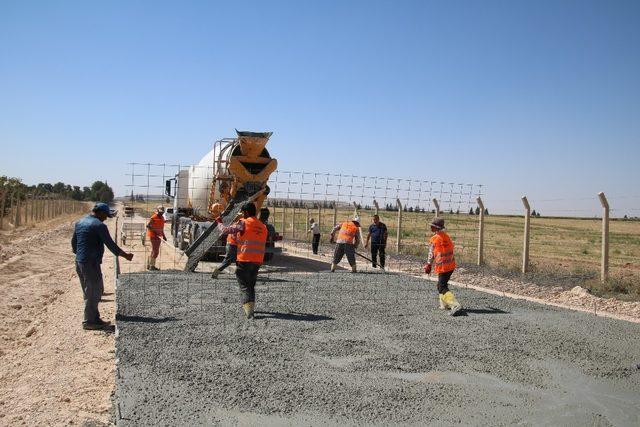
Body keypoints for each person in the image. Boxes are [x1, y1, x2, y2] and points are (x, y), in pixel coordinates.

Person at [71, 203, 134, 330]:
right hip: (90, 263)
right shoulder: (99, 226)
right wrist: (125, 255)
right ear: (100, 212)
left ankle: (95, 318)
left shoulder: (80, 222)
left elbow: (74, 243)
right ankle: (89, 321)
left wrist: (80, 255)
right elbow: (110, 244)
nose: (106, 218)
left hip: (80, 261)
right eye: (105, 215)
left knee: (89, 291)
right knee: (95, 291)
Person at [215, 202, 267, 319]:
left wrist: (219, 222)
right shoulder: (263, 226)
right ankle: (251, 308)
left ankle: (249, 312)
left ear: (246, 212)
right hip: (258, 261)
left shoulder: (243, 223)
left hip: (244, 260)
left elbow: (226, 230)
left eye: (243, 213)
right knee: (250, 285)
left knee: (244, 286)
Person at [423, 217, 462, 316]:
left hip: (443, 267)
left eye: (432, 226)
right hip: (451, 265)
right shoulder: (446, 237)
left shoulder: (434, 239)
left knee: (442, 286)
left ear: (436, 228)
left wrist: (428, 265)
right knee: (441, 285)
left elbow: (431, 254)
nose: (430, 227)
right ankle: (444, 305)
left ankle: (455, 305)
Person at [146, 205, 166, 271]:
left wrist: (164, 236)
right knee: (156, 251)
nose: (161, 213)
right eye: (160, 212)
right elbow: (148, 225)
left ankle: (149, 265)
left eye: (162, 212)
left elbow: (161, 228)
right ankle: (152, 266)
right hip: (153, 235)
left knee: (154, 251)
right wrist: (154, 231)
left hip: (158, 236)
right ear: (157, 211)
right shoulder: (154, 217)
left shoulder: (162, 218)